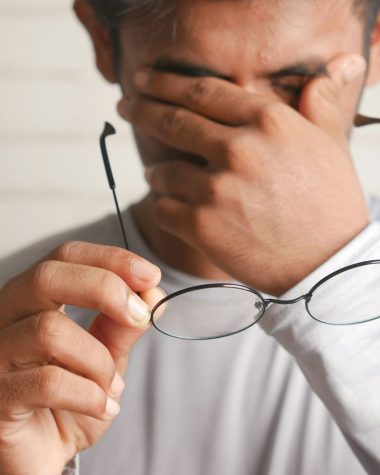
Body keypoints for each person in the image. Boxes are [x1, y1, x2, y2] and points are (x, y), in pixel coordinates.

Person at [1, 0, 380, 474]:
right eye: (192, 86)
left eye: (292, 84)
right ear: (103, 40)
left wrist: (340, 281)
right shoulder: (17, 323)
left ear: (376, 40)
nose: (246, 136)